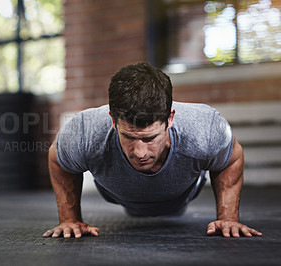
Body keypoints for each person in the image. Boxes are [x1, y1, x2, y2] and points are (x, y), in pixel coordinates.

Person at [42, 62, 262, 239]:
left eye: (150, 138)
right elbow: (58, 160)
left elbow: (231, 159)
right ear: (112, 119)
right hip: (118, 195)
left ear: (170, 119)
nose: (139, 152)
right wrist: (69, 219)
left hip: (182, 195)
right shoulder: (84, 130)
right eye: (128, 137)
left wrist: (228, 217)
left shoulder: (205, 127)